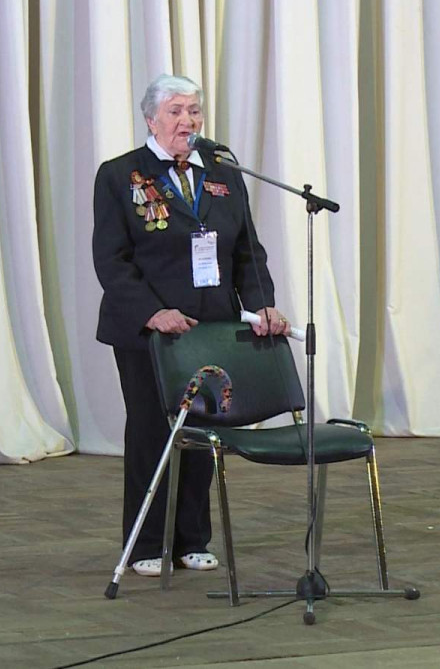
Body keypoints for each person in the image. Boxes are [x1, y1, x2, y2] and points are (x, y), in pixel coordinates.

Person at [93, 74, 291, 577]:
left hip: (211, 326)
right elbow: (112, 260)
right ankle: (146, 543)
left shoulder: (223, 171)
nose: (188, 121)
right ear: (151, 119)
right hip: (150, 331)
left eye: (195, 111)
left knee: (204, 430)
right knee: (151, 432)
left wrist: (262, 306)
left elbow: (247, 251)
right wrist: (151, 311)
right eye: (176, 111)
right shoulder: (119, 175)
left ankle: (192, 539)